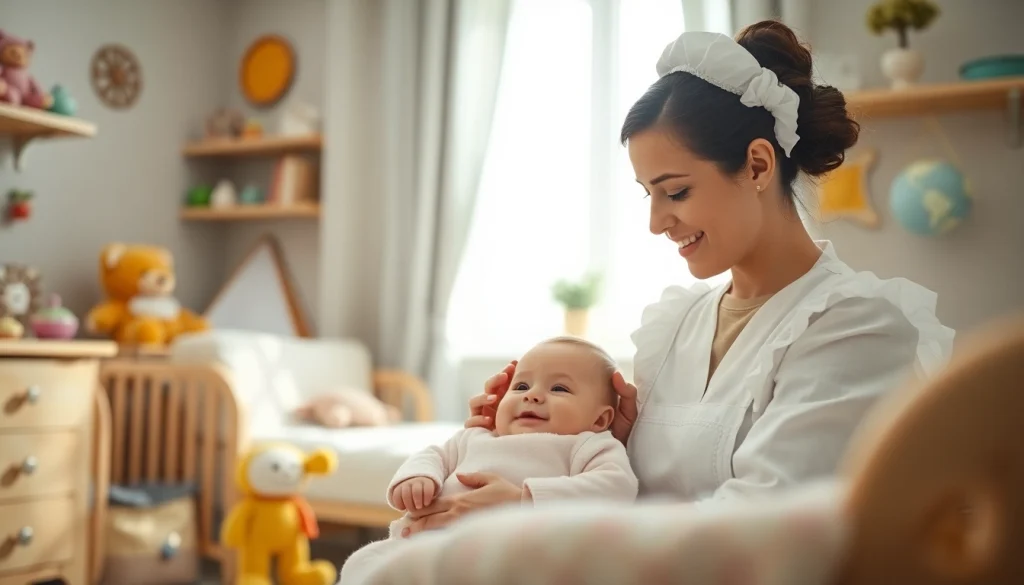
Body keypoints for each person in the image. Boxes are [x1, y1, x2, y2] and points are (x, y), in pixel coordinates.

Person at [401, 20, 954, 537]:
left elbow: (762, 529)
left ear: (758, 166)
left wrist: (533, 508)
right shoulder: (674, 327)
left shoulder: (857, 327)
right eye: (649, 194)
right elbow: (630, 488)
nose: (655, 222)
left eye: (677, 191)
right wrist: (534, 445)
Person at [338, 336, 638, 584]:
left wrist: (527, 497)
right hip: (421, 549)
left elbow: (616, 487)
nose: (532, 396)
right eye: (521, 386)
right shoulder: (477, 436)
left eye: (559, 388)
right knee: (362, 563)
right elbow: (434, 455)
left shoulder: (587, 444)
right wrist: (418, 477)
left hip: (508, 558)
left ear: (600, 419)